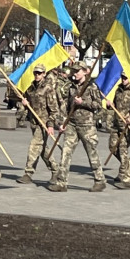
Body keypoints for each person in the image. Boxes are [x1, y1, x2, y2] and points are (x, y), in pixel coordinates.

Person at [49, 62, 105, 193]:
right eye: (74, 71)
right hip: (72, 124)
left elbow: (98, 105)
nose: (75, 73)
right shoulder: (71, 87)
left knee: (92, 153)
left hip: (87, 125)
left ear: (85, 71)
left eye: (78, 71)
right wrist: (62, 122)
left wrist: (83, 103)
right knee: (66, 153)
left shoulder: (91, 87)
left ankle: (99, 180)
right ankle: (61, 182)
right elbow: (67, 107)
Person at [16, 64, 62, 184]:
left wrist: (51, 124)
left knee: (34, 146)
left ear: (44, 74)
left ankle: (28, 173)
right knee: (42, 150)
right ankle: (56, 170)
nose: (37, 75)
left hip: (44, 123)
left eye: (40, 73)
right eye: (36, 73)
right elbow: (28, 104)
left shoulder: (48, 88)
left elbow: (54, 109)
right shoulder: (31, 88)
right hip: (34, 122)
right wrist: (25, 104)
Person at [109, 72, 130, 187]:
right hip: (116, 123)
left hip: (126, 125)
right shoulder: (119, 90)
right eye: (122, 77)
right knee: (112, 147)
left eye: (125, 78)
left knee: (123, 149)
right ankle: (126, 164)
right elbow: (115, 104)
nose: (123, 80)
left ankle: (122, 173)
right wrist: (110, 104)